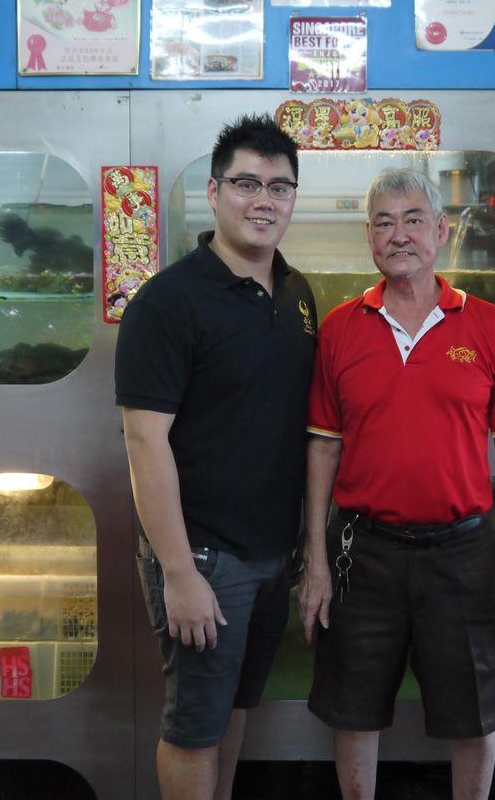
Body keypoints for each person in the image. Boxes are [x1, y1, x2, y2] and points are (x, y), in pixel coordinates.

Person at [299, 167, 495, 800]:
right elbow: (322, 448)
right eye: (384, 223)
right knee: (353, 710)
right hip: (362, 547)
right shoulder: (341, 329)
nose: (399, 235)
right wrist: (316, 561)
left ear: (440, 230)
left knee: (474, 715)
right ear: (369, 238)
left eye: (413, 219)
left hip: (462, 550)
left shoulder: (487, 325)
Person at [116, 113, 316, 800]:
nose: (264, 200)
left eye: (280, 187)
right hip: (203, 556)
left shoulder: (297, 295)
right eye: (247, 183)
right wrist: (177, 572)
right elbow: (144, 440)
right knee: (194, 726)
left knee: (234, 711)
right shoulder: (169, 302)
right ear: (213, 190)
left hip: (269, 557)